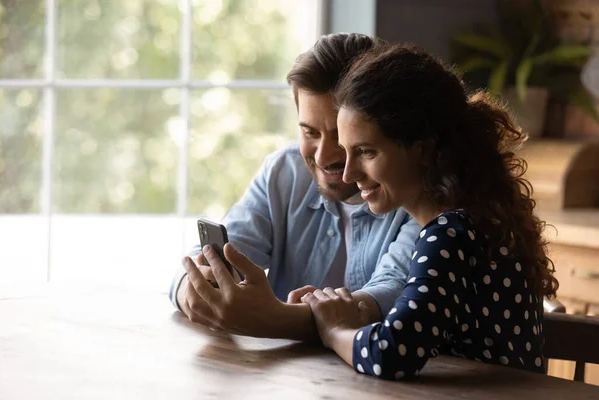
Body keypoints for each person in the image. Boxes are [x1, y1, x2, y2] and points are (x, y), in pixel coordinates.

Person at [296, 43, 559, 378]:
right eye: (347, 153)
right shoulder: (477, 221)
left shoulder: (451, 235)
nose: (348, 174)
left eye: (365, 152)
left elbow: (391, 354)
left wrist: (333, 329)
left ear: (422, 149)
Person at [171, 34, 421, 340]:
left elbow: (396, 296)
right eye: (310, 132)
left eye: (340, 136)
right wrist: (193, 290)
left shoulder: (412, 189)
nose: (323, 156)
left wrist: (271, 318)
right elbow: (213, 255)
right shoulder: (284, 172)